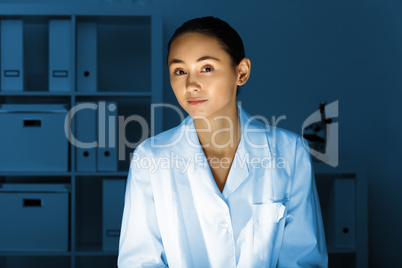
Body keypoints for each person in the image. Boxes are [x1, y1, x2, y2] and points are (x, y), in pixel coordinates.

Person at [118, 16, 328, 268]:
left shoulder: (289, 151)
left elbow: (302, 259)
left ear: (241, 72)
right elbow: (139, 261)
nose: (191, 84)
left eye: (206, 68)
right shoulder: (151, 157)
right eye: (179, 71)